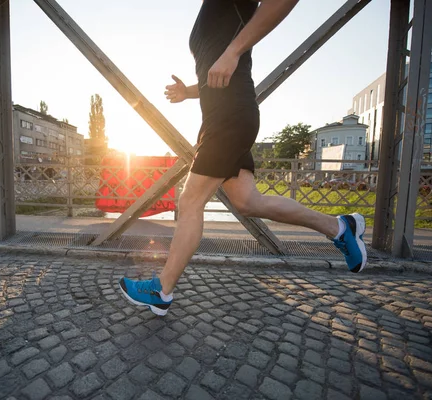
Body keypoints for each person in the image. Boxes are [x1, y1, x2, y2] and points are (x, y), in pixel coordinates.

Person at [119, 0, 367, 317]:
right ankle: (341, 227)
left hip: (230, 117)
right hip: (221, 117)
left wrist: (233, 51)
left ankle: (161, 290)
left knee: (190, 201)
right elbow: (217, 71)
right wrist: (188, 92)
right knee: (249, 202)